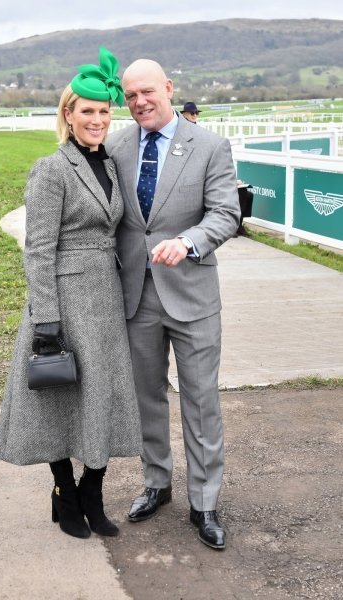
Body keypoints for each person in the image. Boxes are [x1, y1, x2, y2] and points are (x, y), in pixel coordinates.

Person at [0, 47, 142, 540]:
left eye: (103, 111)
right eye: (87, 111)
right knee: (59, 399)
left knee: (102, 396)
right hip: (64, 299)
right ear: (68, 114)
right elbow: (38, 249)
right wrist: (46, 319)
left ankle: (93, 489)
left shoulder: (112, 165)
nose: (97, 119)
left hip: (107, 295)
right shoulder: (51, 169)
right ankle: (66, 493)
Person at [105, 59, 240, 550]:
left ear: (168, 88)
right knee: (147, 397)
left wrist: (189, 241)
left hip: (192, 295)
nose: (139, 101)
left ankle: (204, 501)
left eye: (147, 92)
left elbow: (226, 213)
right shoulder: (116, 145)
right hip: (136, 298)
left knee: (201, 402)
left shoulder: (209, 145)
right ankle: (156, 483)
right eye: (130, 95)